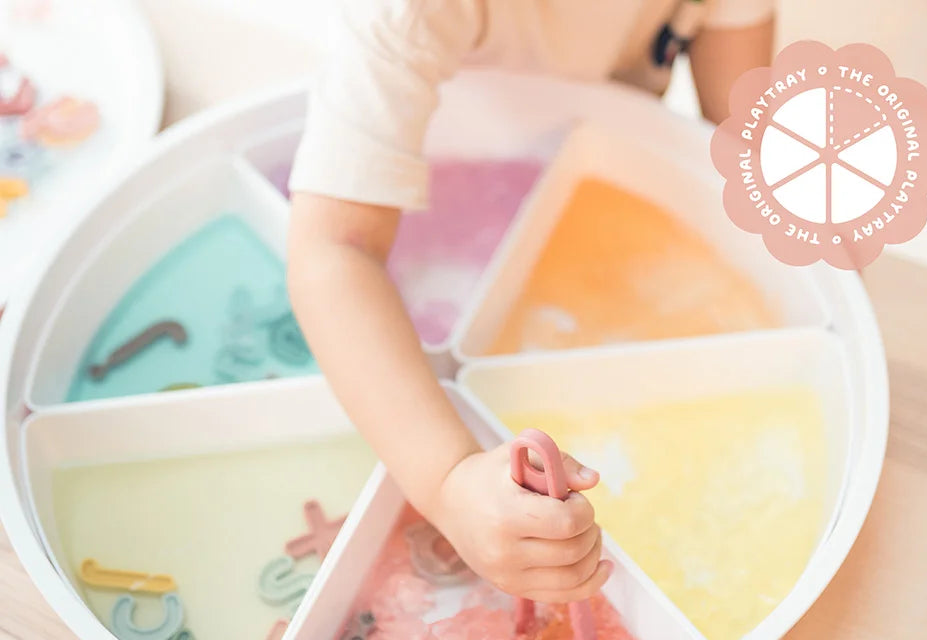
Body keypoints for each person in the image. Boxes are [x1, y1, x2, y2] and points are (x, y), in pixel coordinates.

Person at [287, 0, 775, 605]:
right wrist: (448, 483)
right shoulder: (406, 15)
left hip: (592, 201)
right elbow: (331, 253)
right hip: (427, 191)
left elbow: (741, 143)